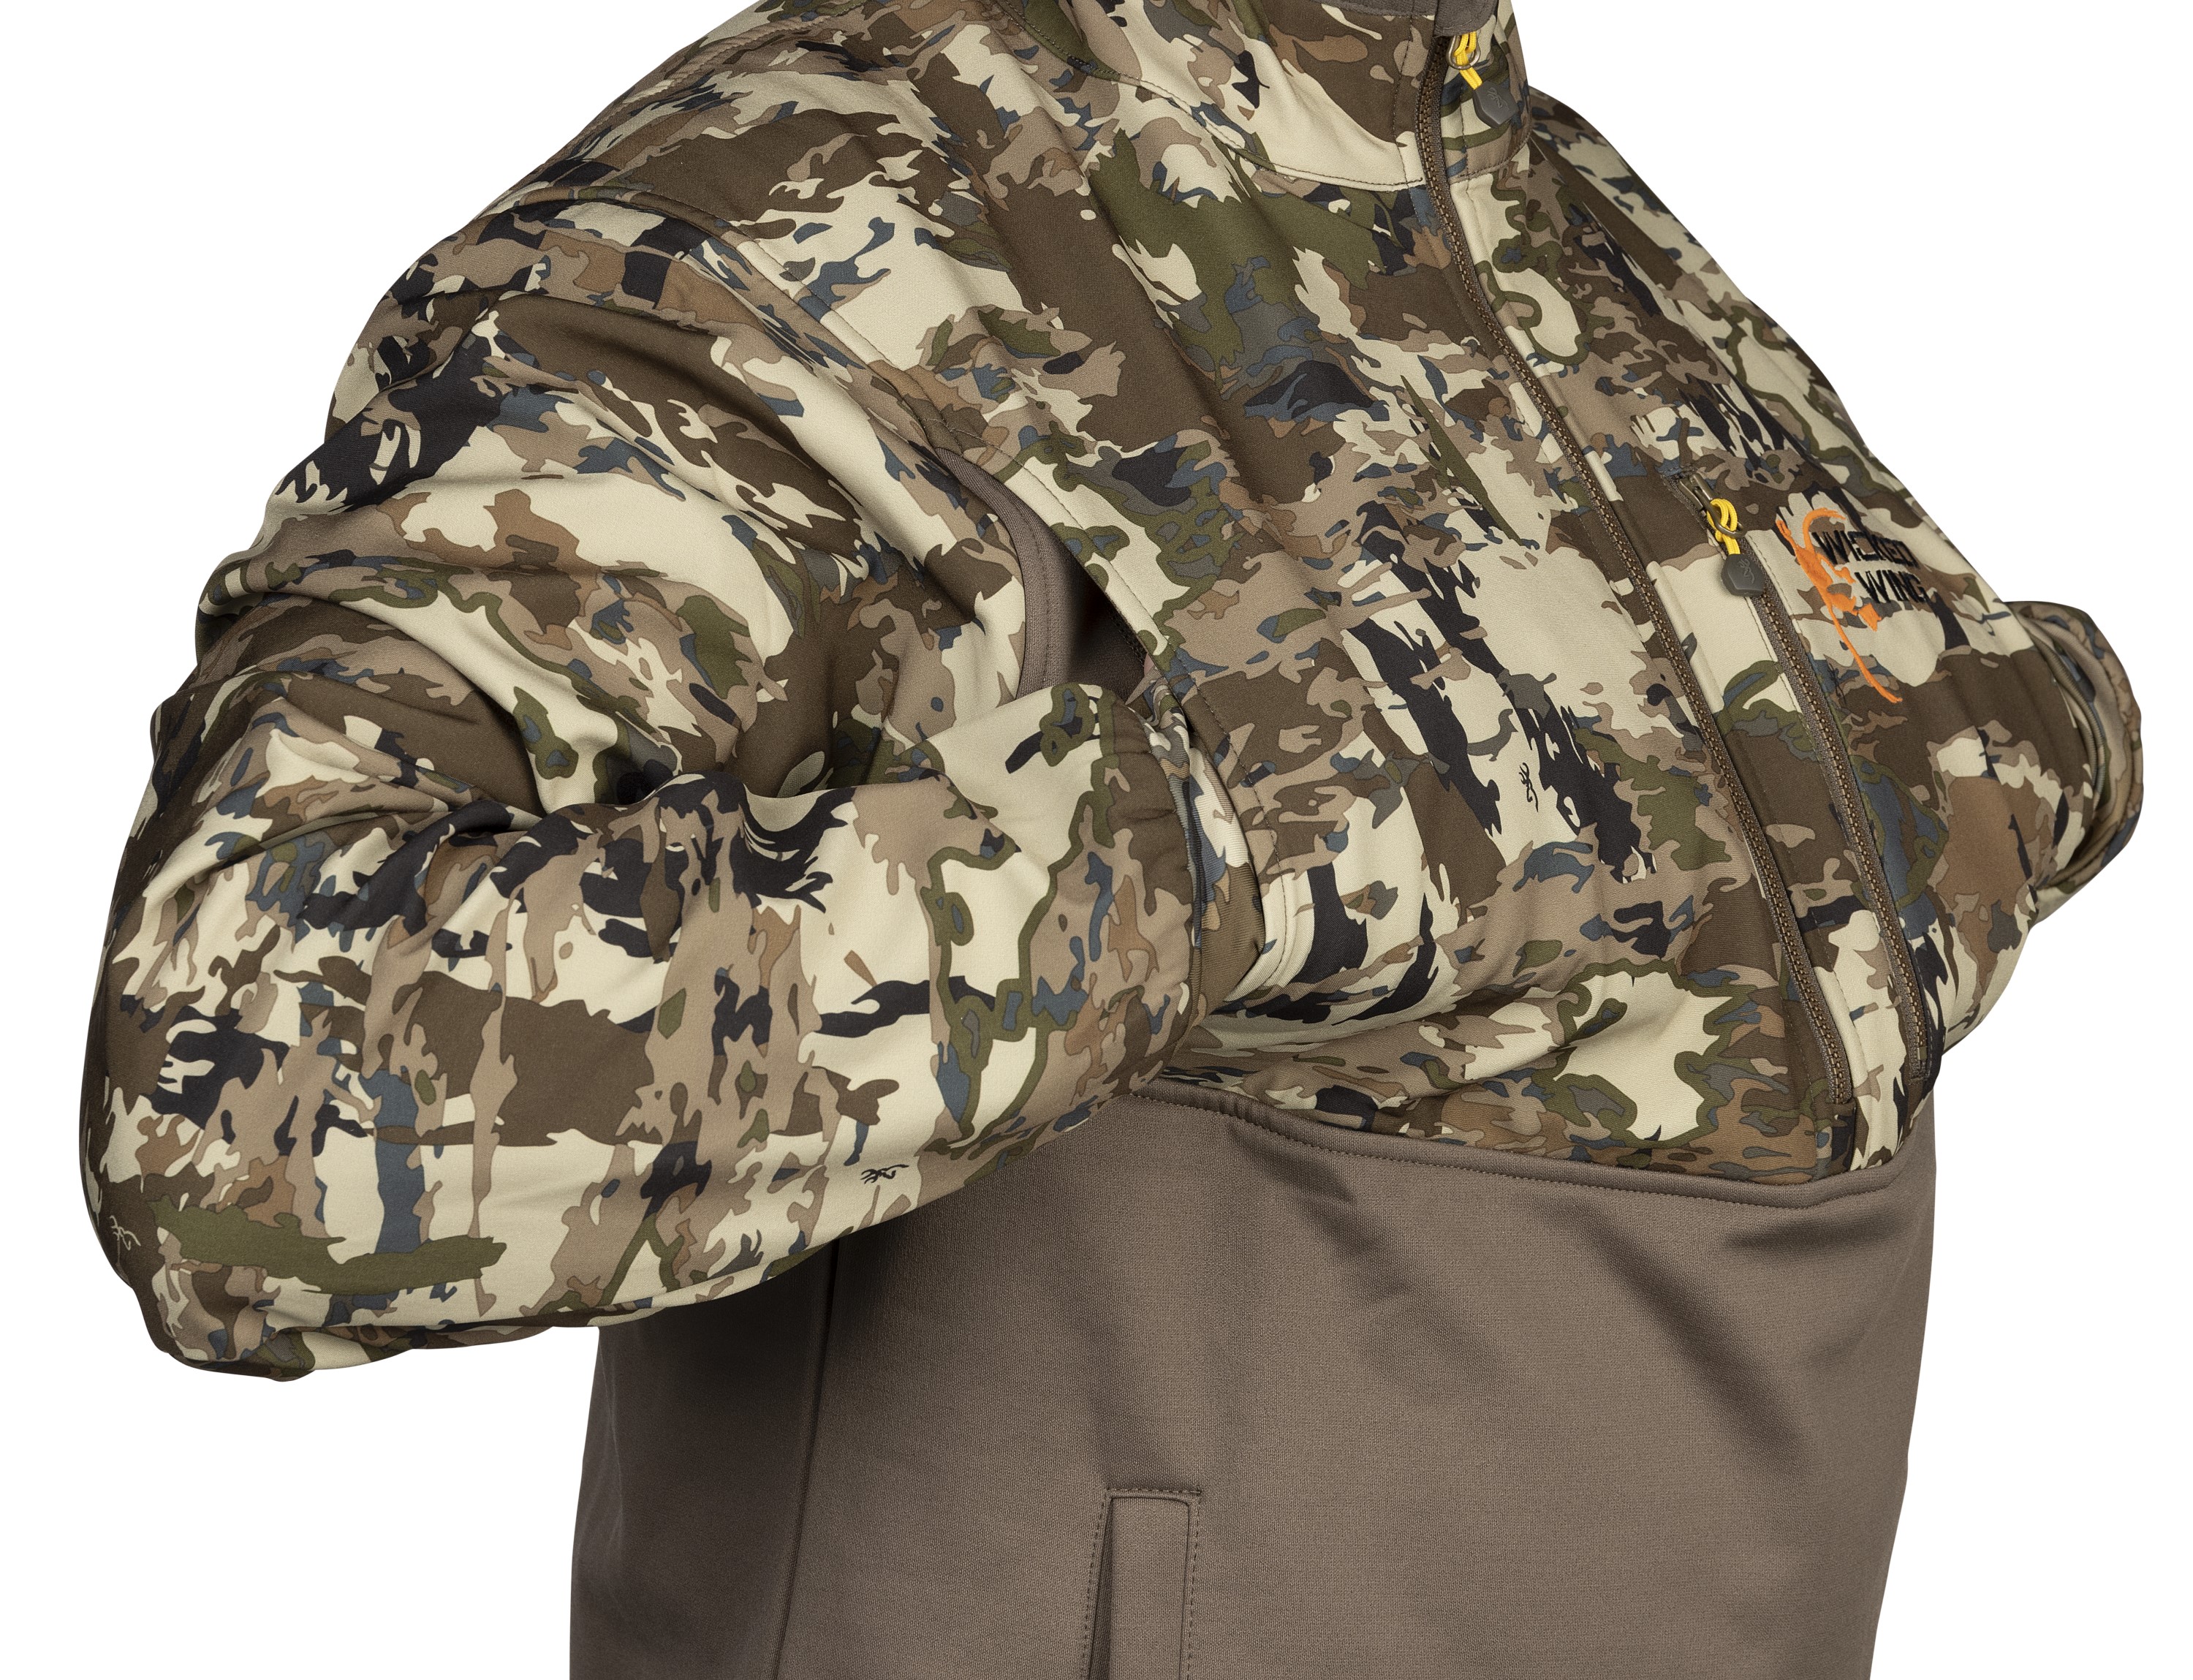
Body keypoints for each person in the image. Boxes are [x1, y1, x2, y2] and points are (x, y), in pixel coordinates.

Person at [79, 0, 2140, 1673]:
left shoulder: (1562, 218)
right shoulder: (786, 224)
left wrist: (2012, 773)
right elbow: (237, 1092)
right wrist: (1211, 844)